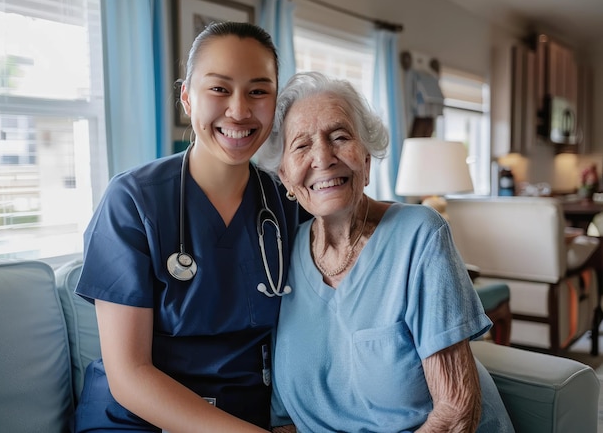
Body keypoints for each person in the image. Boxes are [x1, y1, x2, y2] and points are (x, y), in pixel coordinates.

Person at [73, 22, 302, 432]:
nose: (239, 110)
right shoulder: (133, 201)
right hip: (137, 418)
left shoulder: (287, 202)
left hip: (245, 415)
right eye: (219, 88)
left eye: (258, 90)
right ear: (186, 98)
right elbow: (129, 375)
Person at [257, 71, 514, 432]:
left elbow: (456, 411)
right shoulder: (284, 257)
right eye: (302, 145)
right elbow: (286, 422)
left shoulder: (419, 235)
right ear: (285, 176)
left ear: (366, 158)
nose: (323, 157)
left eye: (340, 136)